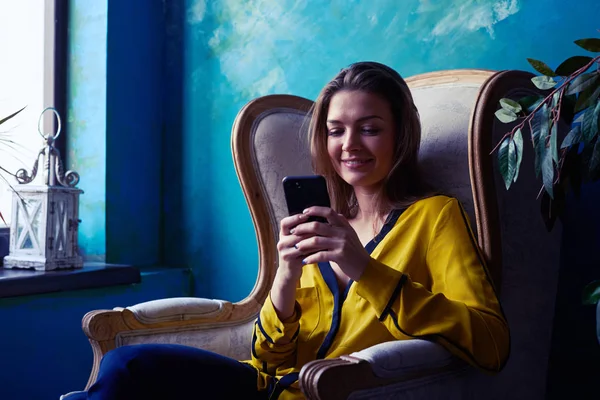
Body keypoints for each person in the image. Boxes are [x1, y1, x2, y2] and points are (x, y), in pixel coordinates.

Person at [64, 62, 509, 400]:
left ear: (400, 136)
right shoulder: (324, 223)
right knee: (128, 366)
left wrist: (364, 269)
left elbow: (490, 342)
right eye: (336, 131)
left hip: (327, 390)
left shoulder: (434, 217)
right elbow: (266, 359)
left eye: (370, 129)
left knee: (129, 371)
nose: (350, 145)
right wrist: (285, 277)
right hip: (267, 388)